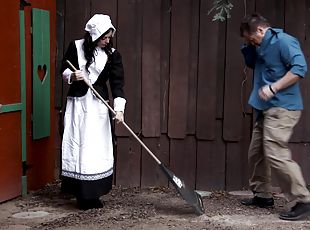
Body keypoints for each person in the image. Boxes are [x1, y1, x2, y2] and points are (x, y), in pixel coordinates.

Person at [240, 13, 310, 220]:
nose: (250, 41)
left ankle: (304, 200)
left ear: (261, 30)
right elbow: (252, 63)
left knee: (275, 153)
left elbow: (300, 68)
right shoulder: (259, 47)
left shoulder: (284, 42)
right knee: (256, 153)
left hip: (283, 108)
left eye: (251, 38)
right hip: (265, 108)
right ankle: (262, 195)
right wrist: (250, 46)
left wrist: (274, 87)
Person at [60, 14, 126, 210]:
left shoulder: (113, 54)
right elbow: (63, 69)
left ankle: (94, 193)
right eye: (104, 37)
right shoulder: (76, 46)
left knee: (96, 148)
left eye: (109, 38)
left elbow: (117, 84)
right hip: (79, 106)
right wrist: (72, 75)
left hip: (98, 107)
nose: (107, 41)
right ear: (94, 35)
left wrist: (119, 110)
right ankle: (80, 193)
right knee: (79, 145)